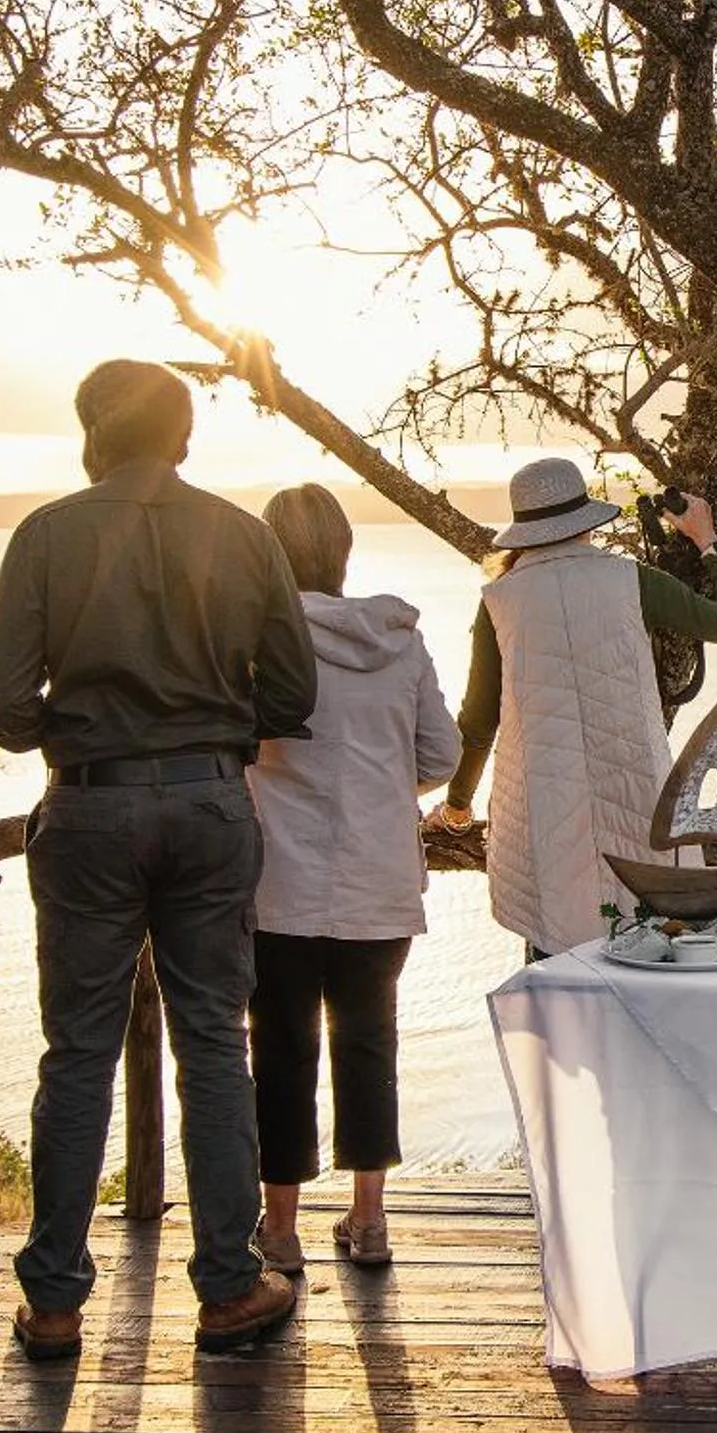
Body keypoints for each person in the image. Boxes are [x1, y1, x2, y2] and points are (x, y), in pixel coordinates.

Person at [0, 360, 320, 1361]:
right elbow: (293, 693)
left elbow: (1, 695)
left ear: (92, 429)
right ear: (184, 433)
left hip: (87, 802)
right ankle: (224, 1284)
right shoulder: (243, 534)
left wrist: (77, 733)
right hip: (209, 801)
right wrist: (208, 731)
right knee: (212, 1037)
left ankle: (52, 1301)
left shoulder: (46, 533)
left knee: (75, 1050)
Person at [243, 486, 460, 1273]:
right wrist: (377, 786)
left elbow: (230, 742)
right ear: (343, 551)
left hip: (278, 882)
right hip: (380, 880)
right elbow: (440, 754)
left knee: (281, 1050)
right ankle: (368, 1220)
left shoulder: (258, 641)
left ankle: (279, 1229)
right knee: (369, 1045)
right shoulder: (399, 640)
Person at [434, 459, 717, 959]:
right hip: (639, 791)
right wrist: (708, 545)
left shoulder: (500, 599)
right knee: (656, 949)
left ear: (523, 529)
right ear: (587, 519)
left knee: (558, 953)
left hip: (543, 805)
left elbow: (479, 722)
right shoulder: (631, 580)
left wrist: (458, 806)